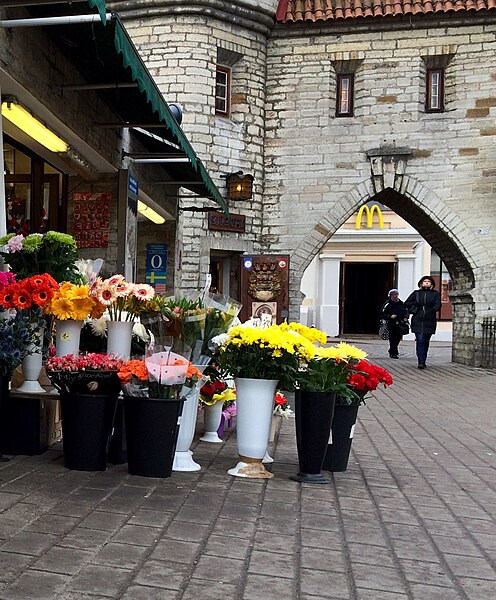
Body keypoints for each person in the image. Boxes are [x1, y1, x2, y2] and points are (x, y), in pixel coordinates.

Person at [404, 275, 442, 370]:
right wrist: (415, 304)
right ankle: (421, 361)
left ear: (432, 284)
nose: (427, 283)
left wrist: (431, 310)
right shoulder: (417, 293)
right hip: (418, 319)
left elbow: (438, 305)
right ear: (421, 283)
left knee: (425, 341)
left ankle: (423, 358)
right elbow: (406, 303)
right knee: (420, 340)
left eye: (428, 282)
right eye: (425, 281)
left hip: (429, 320)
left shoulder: (435, 294)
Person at [380, 289, 407, 359]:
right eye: (393, 294)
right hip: (391, 323)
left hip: (400, 323)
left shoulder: (401, 303)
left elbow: (406, 311)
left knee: (398, 337)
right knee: (392, 338)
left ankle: (392, 349)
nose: (395, 296)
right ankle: (394, 352)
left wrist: (405, 318)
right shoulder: (387, 304)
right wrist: (390, 316)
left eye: (396, 294)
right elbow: (382, 313)